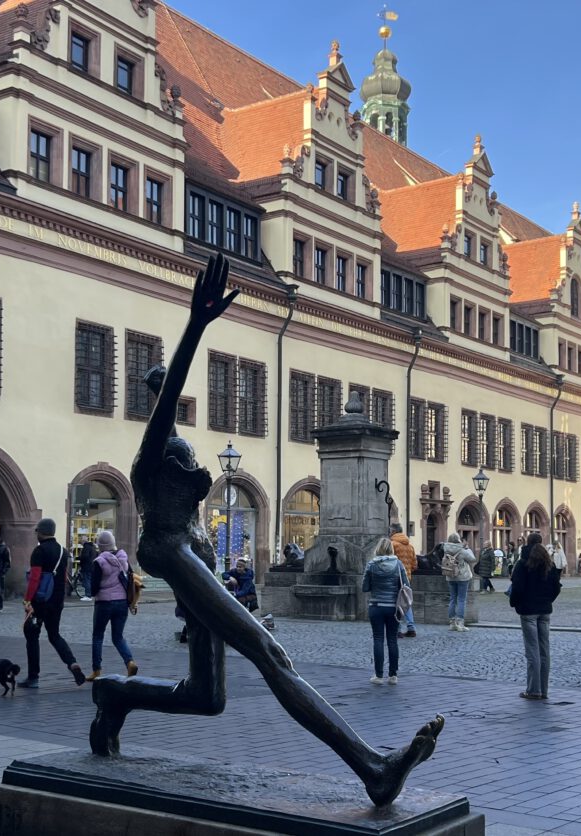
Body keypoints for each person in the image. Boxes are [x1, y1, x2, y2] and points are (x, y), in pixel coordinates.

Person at [87, 253, 442, 808]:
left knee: (207, 697)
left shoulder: (176, 444)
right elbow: (174, 384)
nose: (168, 396)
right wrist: (197, 325)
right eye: (162, 391)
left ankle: (115, 695)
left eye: (168, 390)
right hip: (171, 553)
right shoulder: (150, 450)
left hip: (194, 554)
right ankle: (371, 766)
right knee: (269, 653)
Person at [19, 517, 86, 689]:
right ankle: (72, 663)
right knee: (54, 635)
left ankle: (33, 677)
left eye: (37, 531)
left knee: (31, 635)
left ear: (41, 532)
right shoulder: (63, 551)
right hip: (57, 600)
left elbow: (34, 578)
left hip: (40, 601)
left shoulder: (39, 551)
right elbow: (64, 577)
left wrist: (28, 599)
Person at [510, 533, 561, 700]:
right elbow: (556, 587)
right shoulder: (549, 563)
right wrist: (547, 600)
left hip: (528, 612)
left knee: (532, 651)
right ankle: (544, 690)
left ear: (527, 543)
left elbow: (516, 588)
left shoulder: (523, 563)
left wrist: (515, 603)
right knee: (544, 651)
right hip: (545, 611)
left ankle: (533, 690)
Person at [86, 530, 138, 681]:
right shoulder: (123, 558)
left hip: (103, 603)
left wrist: (92, 592)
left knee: (97, 636)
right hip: (122, 603)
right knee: (118, 637)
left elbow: (94, 588)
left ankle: (96, 671)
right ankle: (130, 662)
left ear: (100, 545)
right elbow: (131, 578)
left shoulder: (99, 561)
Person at [362, 537, 409, 685]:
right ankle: (393, 676)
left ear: (378, 549)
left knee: (378, 639)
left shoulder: (371, 565)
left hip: (376, 606)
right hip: (394, 608)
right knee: (392, 640)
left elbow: (365, 587)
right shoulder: (398, 564)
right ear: (391, 549)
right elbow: (406, 585)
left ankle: (378, 675)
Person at [442, 532, 476, 632]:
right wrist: (468, 549)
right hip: (462, 577)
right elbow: (472, 559)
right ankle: (460, 623)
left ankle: (452, 623)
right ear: (458, 540)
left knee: (452, 599)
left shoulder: (445, 548)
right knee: (461, 600)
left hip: (450, 576)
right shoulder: (462, 550)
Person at [390, 523, 417, 638]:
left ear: (394, 531)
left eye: (390, 531)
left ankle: (398, 630)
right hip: (407, 578)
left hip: (394, 577)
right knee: (406, 602)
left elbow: (389, 562)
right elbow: (415, 564)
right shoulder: (410, 546)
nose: (389, 533)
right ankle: (411, 627)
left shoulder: (392, 544)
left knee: (396, 604)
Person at [79, 535, 96, 601]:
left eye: (81, 540)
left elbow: (85, 556)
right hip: (91, 566)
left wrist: (79, 558)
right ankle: (90, 594)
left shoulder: (86, 547)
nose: (80, 541)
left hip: (87, 566)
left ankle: (88, 595)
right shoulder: (92, 547)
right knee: (89, 580)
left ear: (83, 541)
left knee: (87, 581)